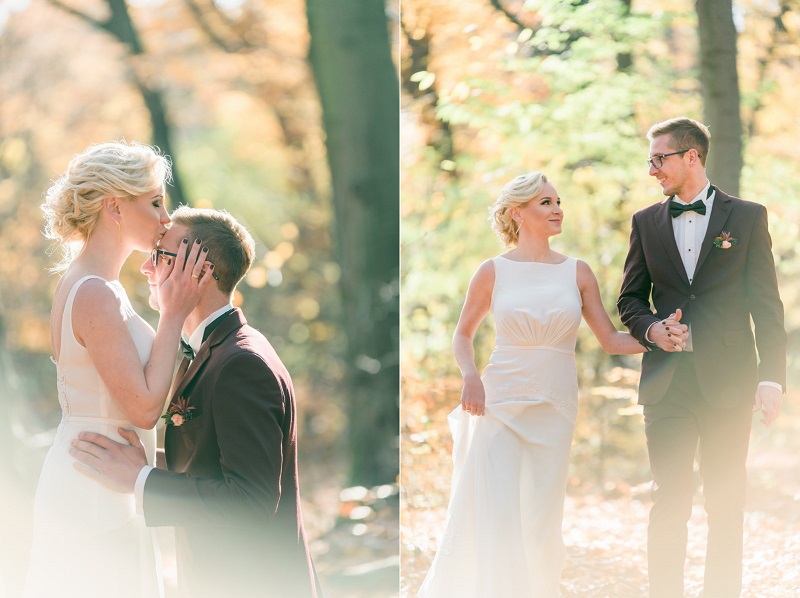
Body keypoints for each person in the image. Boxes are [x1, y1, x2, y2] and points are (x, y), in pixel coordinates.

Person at [417, 172, 687, 598]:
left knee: (541, 520)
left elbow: (611, 340)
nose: (557, 209)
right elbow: (462, 334)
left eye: (558, 201)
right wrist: (470, 377)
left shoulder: (578, 272)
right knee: (501, 516)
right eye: (545, 202)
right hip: (498, 403)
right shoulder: (492, 271)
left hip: (555, 407)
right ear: (517, 213)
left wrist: (658, 337)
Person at [70, 207, 321, 598]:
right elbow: (213, 459)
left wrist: (142, 481)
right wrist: (145, 461)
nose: (145, 269)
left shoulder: (242, 364)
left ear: (198, 272)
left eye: (159, 256)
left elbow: (250, 502)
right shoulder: (208, 352)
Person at [25, 141, 211, 598]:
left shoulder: (101, 286)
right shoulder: (94, 293)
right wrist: (172, 313)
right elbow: (144, 408)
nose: (166, 218)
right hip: (91, 491)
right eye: (154, 202)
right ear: (114, 206)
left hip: (106, 478)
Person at [617, 116, 787, 597]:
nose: (652, 170)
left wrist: (772, 379)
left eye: (659, 159)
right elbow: (629, 298)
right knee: (669, 499)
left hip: (730, 383)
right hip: (668, 384)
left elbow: (767, 305)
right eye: (650, 160)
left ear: (691, 157)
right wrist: (652, 328)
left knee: (725, 502)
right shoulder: (646, 222)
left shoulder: (748, 216)